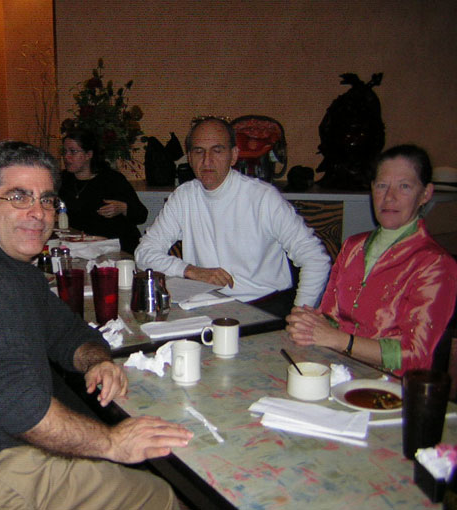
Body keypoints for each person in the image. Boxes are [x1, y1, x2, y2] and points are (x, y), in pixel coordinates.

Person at [0, 141, 192, 510]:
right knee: (157, 497)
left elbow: (68, 332)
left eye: (46, 200)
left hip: (9, 454)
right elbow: (20, 409)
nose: (38, 213)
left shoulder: (12, 270)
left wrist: (97, 361)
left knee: (154, 493)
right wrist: (112, 442)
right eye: (18, 197)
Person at [135, 116, 331, 317]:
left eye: (217, 150)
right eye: (199, 151)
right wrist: (190, 270)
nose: (207, 160)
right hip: (207, 304)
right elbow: (144, 254)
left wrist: (300, 315)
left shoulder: (263, 198)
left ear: (234, 155)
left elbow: (315, 259)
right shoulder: (184, 197)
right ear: (190, 158)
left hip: (263, 307)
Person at [286, 144, 457, 375]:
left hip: (391, 385)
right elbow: (330, 318)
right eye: (382, 185)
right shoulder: (353, 247)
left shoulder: (435, 264)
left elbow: (415, 356)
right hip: (338, 370)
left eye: (404, 186)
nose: (389, 197)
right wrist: (307, 324)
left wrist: (340, 340)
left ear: (425, 194)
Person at [59, 128, 148, 254]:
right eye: (65, 151)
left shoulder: (111, 179)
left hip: (116, 248)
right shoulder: (63, 180)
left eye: (73, 151)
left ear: (89, 154)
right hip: (81, 247)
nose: (66, 157)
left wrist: (123, 208)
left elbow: (141, 215)